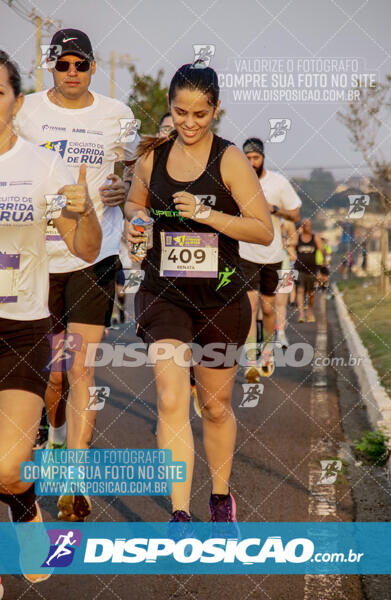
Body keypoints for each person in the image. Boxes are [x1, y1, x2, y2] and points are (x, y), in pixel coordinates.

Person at [125, 64, 273, 524]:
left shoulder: (228, 159)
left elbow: (263, 230)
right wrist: (137, 221)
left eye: (200, 115)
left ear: (216, 110)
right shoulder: (154, 156)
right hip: (163, 292)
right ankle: (180, 513)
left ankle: (220, 497)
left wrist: (208, 215)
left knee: (214, 405)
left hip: (222, 295)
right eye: (180, 112)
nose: (189, 123)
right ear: (170, 107)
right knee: (171, 397)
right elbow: (134, 201)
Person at [14, 29, 138, 521]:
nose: (71, 73)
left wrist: (121, 191)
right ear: (50, 65)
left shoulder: (116, 116)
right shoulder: (23, 111)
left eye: (80, 65)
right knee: (51, 378)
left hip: (94, 254)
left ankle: (74, 481)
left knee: (80, 368)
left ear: (90, 67)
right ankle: (56, 434)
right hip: (35, 259)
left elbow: (131, 175)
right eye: (62, 64)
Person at [0, 51, 100, 584]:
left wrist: (82, 211)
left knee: (9, 465)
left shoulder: (44, 166)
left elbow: (86, 249)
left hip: (19, 330)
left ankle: (23, 507)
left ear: (16, 101)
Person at [239, 138, 301, 379]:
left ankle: (268, 350)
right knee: (250, 306)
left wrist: (274, 209)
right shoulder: (237, 182)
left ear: (263, 157)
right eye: (247, 158)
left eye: (255, 158)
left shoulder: (278, 182)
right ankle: (252, 357)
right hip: (246, 253)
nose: (252, 162)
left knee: (268, 307)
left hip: (272, 254)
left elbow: (295, 214)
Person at [295, 219, 324, 322]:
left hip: (312, 270)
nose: (309, 227)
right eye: (306, 225)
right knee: (300, 290)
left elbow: (322, 251)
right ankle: (301, 315)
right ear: (302, 226)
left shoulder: (315, 238)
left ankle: (310, 312)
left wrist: (321, 270)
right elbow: (290, 248)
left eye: (310, 225)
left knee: (311, 293)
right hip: (299, 269)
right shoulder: (297, 238)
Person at [275, 218, 298, 349]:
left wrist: (286, 243)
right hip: (264, 262)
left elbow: (294, 241)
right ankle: (261, 337)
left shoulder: (288, 222)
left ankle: (281, 333)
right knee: (264, 302)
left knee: (281, 301)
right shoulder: (262, 213)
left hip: (283, 263)